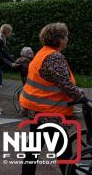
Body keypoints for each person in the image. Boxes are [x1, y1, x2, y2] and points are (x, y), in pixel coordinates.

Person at [19, 23, 88, 175]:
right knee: (63, 151)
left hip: (36, 109)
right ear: (59, 39)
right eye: (66, 36)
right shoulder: (54, 58)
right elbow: (66, 85)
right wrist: (81, 95)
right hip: (50, 113)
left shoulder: (42, 53)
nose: (67, 39)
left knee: (34, 149)